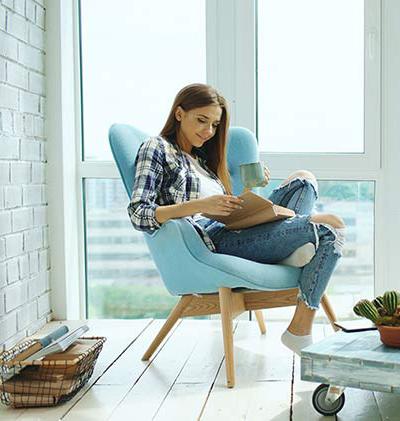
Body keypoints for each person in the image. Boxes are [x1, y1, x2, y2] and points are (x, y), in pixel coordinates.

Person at [127, 83, 345, 355]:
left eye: (215, 125)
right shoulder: (156, 148)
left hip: (236, 229)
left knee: (304, 180)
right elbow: (139, 213)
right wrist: (199, 205)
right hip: (213, 241)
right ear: (179, 114)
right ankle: (299, 329)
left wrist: (250, 191)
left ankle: (291, 247)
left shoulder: (202, 158)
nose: (208, 132)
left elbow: (228, 208)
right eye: (201, 121)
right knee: (329, 230)